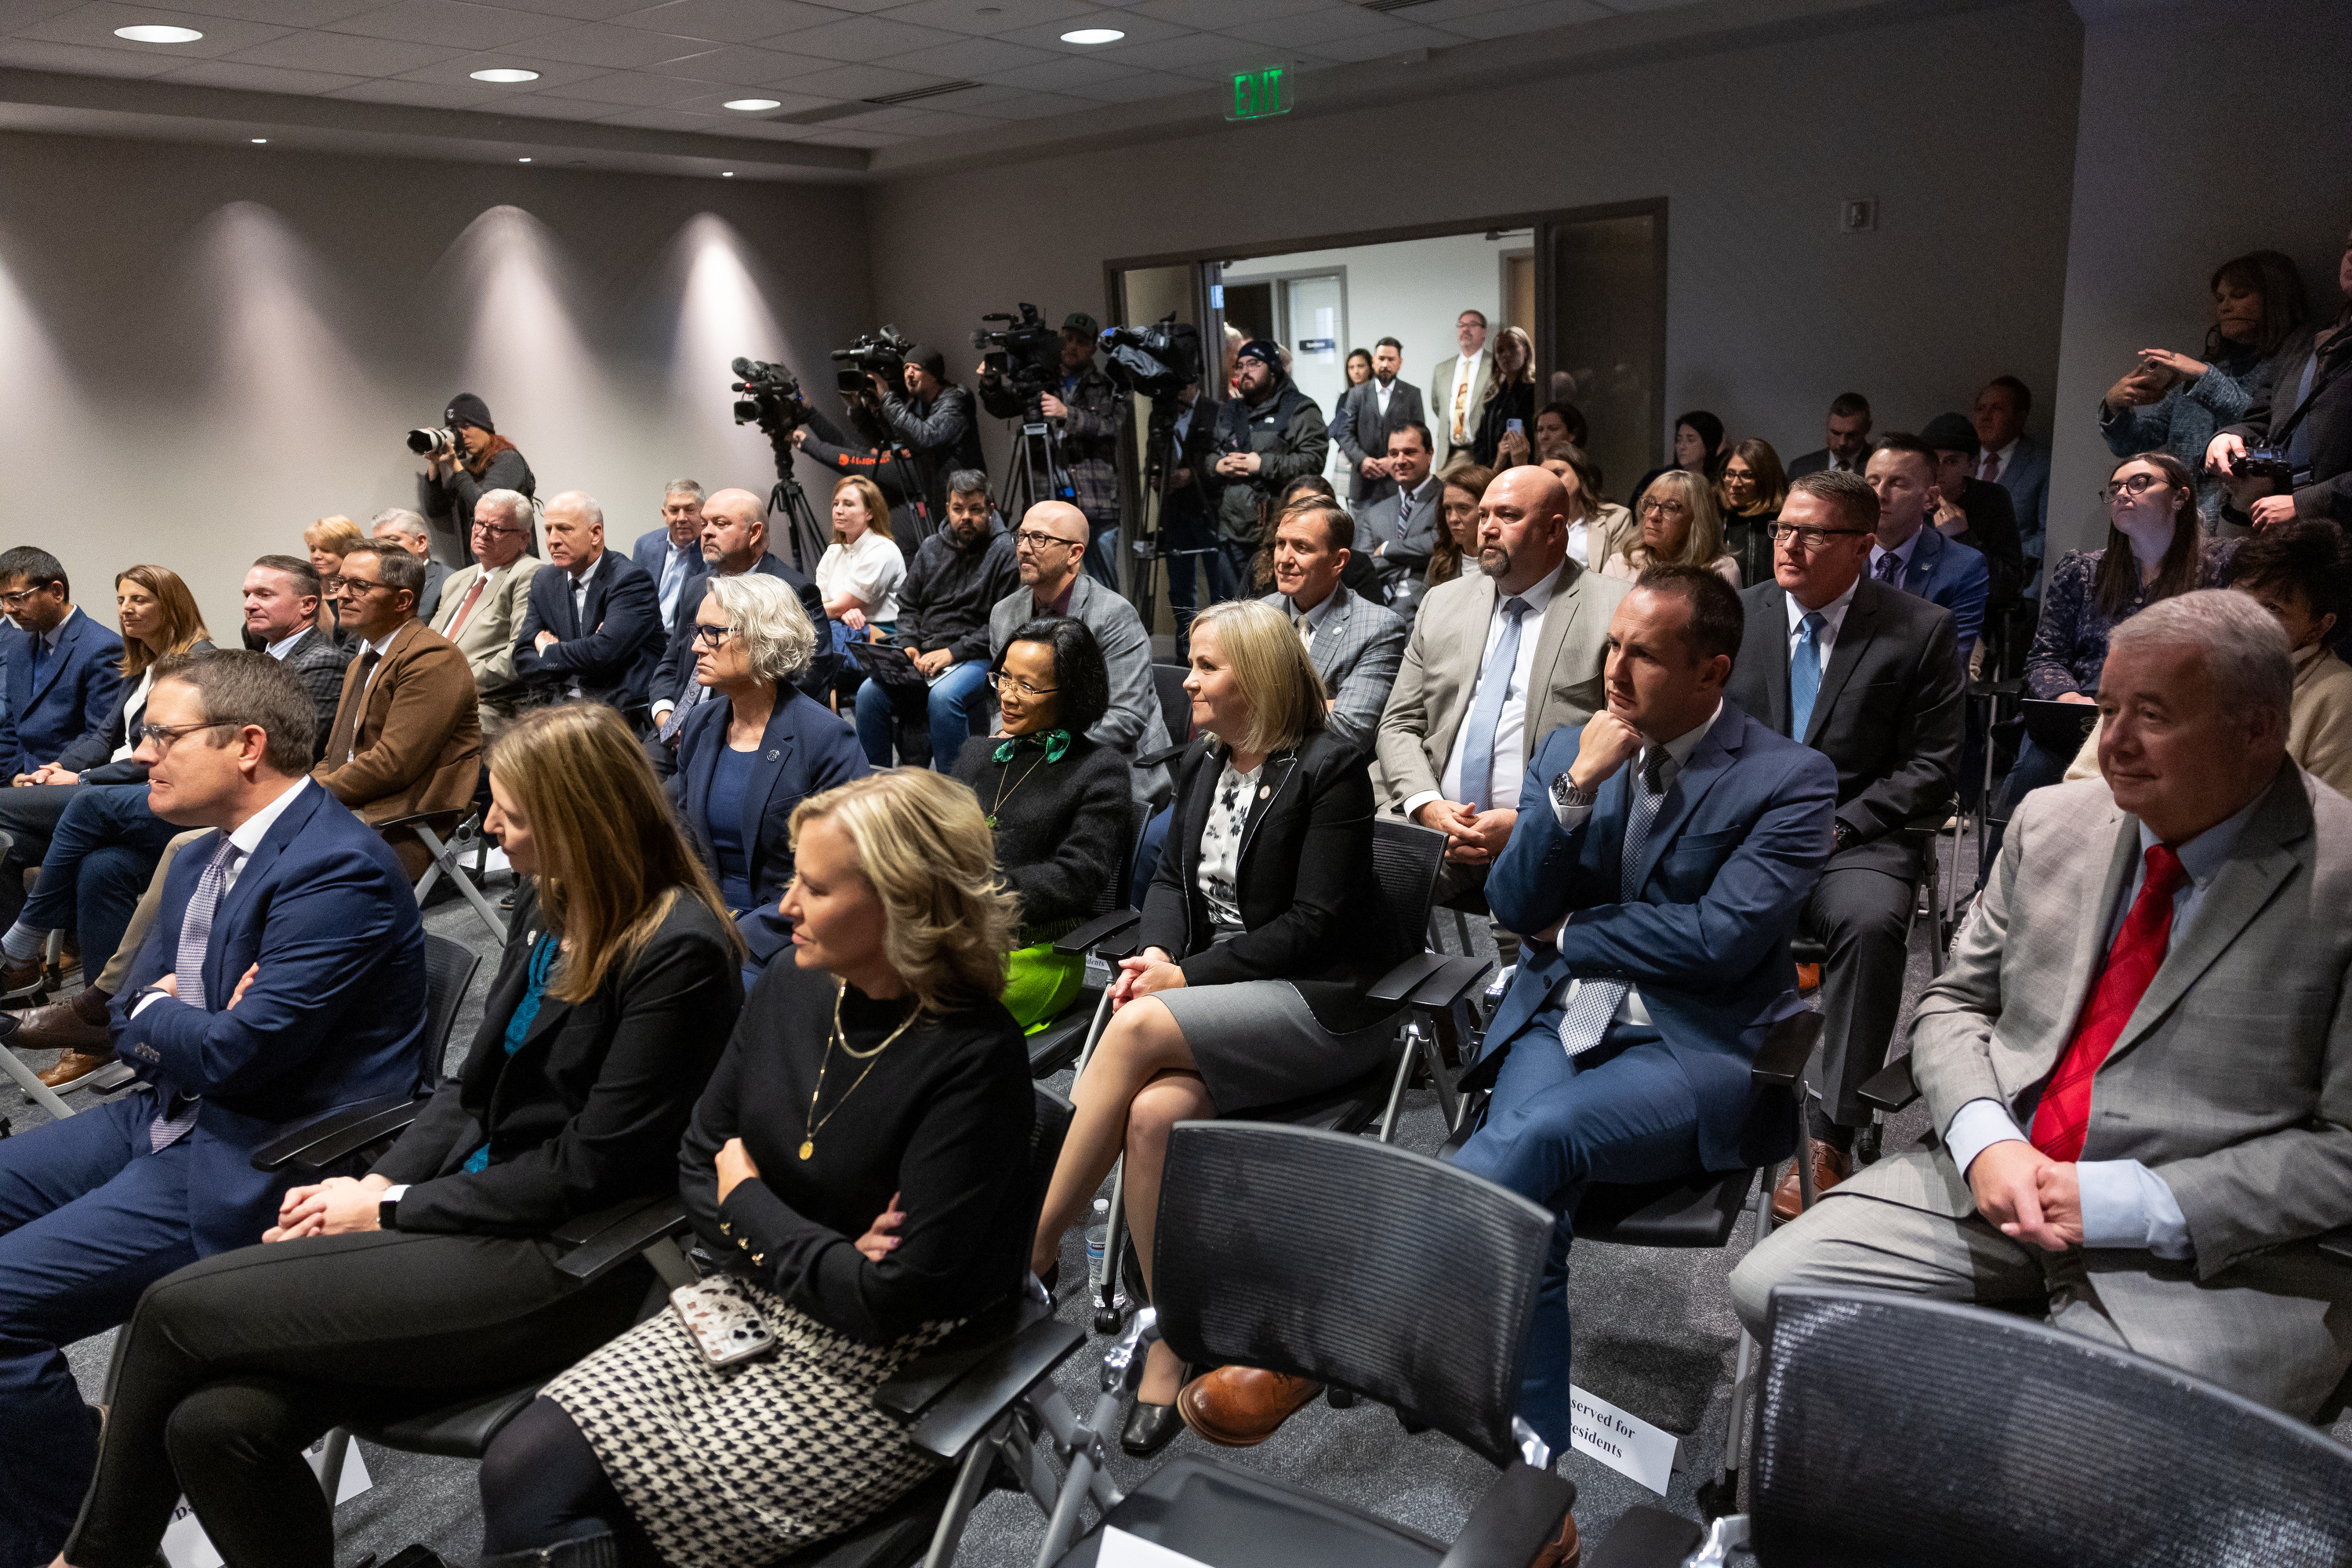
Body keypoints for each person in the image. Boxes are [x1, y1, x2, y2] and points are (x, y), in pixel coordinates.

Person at [55, 702, 746, 1568]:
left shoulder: (677, 947)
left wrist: (392, 1210)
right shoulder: (552, 903)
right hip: (476, 1215)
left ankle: (90, 1556)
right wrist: (374, 1184)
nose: (490, 826)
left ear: (585, 820)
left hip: (569, 1256)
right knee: (214, 1426)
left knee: (173, 1304)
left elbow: (590, 1168)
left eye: (514, 812)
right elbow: (468, 1091)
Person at [1191, 568, 1837, 1470]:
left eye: (1643, 653)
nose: (1615, 667)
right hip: (1561, 1018)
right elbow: (1511, 895)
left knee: (1534, 1138)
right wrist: (1573, 787)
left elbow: (1720, 941)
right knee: (1531, 1202)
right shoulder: (1572, 749)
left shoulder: (1789, 777)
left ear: (1712, 670)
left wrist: (1573, 926)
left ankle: (1328, 1338)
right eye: (1612, 643)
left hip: (1692, 1040)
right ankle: (1537, 1490)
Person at [1733, 590, 2352, 1421]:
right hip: (1999, 1176)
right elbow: (1952, 1004)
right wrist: (1987, 1142)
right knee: (1773, 1285)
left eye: (2152, 715)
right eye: (2107, 708)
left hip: (2207, 1246)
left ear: (2256, 728)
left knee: (2071, 1440)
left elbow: (2344, 1150)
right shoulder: (2052, 820)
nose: (2114, 742)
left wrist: (2124, 1201)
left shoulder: (2339, 877)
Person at [473, 769, 1032, 1567]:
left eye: (814, 886)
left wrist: (752, 1198)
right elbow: (699, 1155)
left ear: (905, 901)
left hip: (887, 1374)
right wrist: (817, 1241)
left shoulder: (975, 1057)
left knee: (599, 1516)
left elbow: (888, 1302)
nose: (784, 907)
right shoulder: (792, 986)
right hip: (751, 1299)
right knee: (517, 1464)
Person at [0, 649, 431, 1568]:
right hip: (165, 1114)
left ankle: (96, 1546)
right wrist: (171, 1017)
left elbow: (237, 1052)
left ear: (247, 744)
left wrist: (166, 1015)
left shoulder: (333, 868)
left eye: (162, 733)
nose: (141, 752)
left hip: (257, 1156)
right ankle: (59, 1456)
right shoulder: (199, 853)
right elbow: (128, 1014)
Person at [1033, 599, 1408, 1454]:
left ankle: (1037, 1250)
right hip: (1220, 998)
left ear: (1259, 676)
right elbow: (1169, 875)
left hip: (1324, 1001)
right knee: (1151, 1114)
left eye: (1205, 666)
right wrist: (1160, 946)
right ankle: (1177, 1331)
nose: (1186, 680)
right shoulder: (1211, 758)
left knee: (1132, 1028)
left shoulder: (1332, 767)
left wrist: (1179, 977)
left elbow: (1313, 924)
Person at [1722, 471, 1964, 1212]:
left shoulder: (1917, 628)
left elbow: (1934, 765)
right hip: (1745, 830)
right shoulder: (1738, 614)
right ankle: (1691, 1085)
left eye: (1811, 533)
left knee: (1869, 921)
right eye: (1782, 529)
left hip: (1854, 834)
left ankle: (1830, 1129)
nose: (1787, 544)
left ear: (1861, 546)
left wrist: (1842, 824)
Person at [1377, 466, 1629, 957]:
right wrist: (1427, 805)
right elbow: (1399, 722)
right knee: (1354, 905)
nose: (1486, 527)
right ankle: (1426, 1033)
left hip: (1543, 829)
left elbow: (1630, 740)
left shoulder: (1613, 608)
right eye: (1485, 513)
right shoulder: (1443, 603)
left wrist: (1528, 822)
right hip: (1437, 824)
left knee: (1522, 954)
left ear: (1555, 529)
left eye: (1508, 515)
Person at [1999, 452, 2236, 815]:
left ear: (2180, 498)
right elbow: (2046, 658)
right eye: (2115, 488)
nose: (2123, 493)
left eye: (2140, 483)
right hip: (2084, 711)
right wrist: (2067, 696)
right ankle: (1997, 873)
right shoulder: (2083, 569)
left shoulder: (2221, 565)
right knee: (2034, 773)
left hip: (2171, 713)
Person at [670, 573, 866, 982]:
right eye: (696, 631)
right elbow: (685, 841)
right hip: (707, 918)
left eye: (712, 633)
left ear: (762, 638)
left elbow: (843, 871)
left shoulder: (825, 739)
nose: (695, 646)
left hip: (786, 930)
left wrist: (737, 933)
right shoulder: (704, 724)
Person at [955, 617, 1132, 1029]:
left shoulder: (1098, 769)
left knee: (912, 1002)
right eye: (1004, 678)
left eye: (1028, 687)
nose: (1008, 697)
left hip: (1036, 948)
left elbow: (1079, 876)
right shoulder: (977, 753)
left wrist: (978, 894)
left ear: (1071, 694)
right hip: (954, 931)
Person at [0, 564, 193, 915]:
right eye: (121, 600)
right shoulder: (143, 663)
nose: (125, 609)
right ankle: (18, 962)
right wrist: (55, 768)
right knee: (81, 864)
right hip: (109, 782)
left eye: (139, 600)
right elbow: (104, 736)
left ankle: (23, 940)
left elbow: (157, 755)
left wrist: (82, 777)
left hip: (146, 789)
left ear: (171, 606)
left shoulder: (195, 665)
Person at [314, 541, 485, 882]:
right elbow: (334, 756)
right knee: (198, 847)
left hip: (401, 818)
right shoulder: (361, 662)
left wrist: (304, 796)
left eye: (358, 585)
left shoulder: (432, 657)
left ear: (403, 600)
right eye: (340, 583)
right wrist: (298, 792)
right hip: (353, 808)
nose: (342, 595)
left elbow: (393, 765)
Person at [2102, 255, 2306, 532]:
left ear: (2274, 298)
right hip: (2184, 524)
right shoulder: (2209, 369)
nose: (2226, 306)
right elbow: (2134, 442)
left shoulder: (2294, 364)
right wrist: (2115, 407)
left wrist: (2202, 376)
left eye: (2239, 294)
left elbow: (2263, 425)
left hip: (2250, 522)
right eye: (2220, 299)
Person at [988, 500, 1171, 807]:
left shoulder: (1114, 615)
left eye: (1039, 539)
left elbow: (1126, 718)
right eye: (1020, 536)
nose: (1023, 548)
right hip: (1033, 761)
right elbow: (999, 700)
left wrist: (1037, 744)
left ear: (1074, 554)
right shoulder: (1004, 614)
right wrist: (1007, 738)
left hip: (1112, 762)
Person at [852, 470, 1018, 770]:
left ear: (991, 510)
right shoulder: (931, 548)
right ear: (948, 509)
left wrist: (952, 652)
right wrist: (909, 644)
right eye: (958, 509)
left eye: (975, 509)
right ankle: (873, 788)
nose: (965, 517)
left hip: (977, 656)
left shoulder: (1005, 552)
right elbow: (909, 605)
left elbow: (1002, 624)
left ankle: (952, 798)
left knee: (944, 698)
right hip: (925, 655)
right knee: (868, 694)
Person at [650, 487, 833, 753]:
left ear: (755, 533)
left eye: (720, 524)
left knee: (663, 795)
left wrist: (719, 724)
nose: (707, 532)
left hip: (742, 735)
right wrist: (664, 714)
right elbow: (672, 663)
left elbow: (807, 678)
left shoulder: (793, 590)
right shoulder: (696, 587)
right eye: (705, 524)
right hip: (676, 729)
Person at [2209, 222, 2352, 530]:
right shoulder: (2304, 340)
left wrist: (2305, 504)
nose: (2351, 256)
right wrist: (2228, 436)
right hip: (2277, 527)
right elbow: (2260, 418)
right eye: (2351, 246)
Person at [978, 312, 1127, 585]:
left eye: (1081, 341)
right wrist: (991, 384)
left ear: (1094, 347)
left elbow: (1113, 425)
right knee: (1048, 579)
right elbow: (1004, 407)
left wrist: (1066, 413)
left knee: (1104, 583)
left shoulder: (1106, 386)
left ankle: (1106, 629)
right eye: (1068, 338)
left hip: (1096, 502)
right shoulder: (1040, 380)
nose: (1072, 346)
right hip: (1046, 494)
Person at [1263, 498, 1406, 758]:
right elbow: (1225, 707)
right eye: (1280, 543)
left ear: (1338, 561)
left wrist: (1262, 705)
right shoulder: (1259, 614)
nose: (1284, 559)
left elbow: (1349, 730)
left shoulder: (1378, 628)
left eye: (1301, 547)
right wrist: (1325, 706)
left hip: (1323, 781)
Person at [512, 491, 666, 720]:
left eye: (564, 529)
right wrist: (587, 651)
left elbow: (601, 654)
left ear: (595, 534)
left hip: (616, 712)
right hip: (559, 708)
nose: (553, 540)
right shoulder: (544, 580)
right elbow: (523, 660)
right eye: (548, 530)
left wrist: (548, 650)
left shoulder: (630, 580)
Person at [1213, 339, 1331, 597]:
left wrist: (1262, 464)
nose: (1245, 371)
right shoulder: (1230, 410)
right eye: (1239, 366)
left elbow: (1313, 461)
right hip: (1231, 530)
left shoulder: (1300, 409)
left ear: (1274, 369)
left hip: (1277, 531)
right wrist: (1218, 465)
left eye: (1254, 364)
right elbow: (1206, 453)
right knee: (1234, 611)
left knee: (1272, 610)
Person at [1863, 434, 1992, 666]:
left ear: (1930, 498)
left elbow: (1948, 670)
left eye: (1898, 484)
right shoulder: (1835, 553)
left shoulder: (1962, 567)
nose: (1880, 495)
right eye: (1872, 482)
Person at [0, 546, 123, 782]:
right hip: (21, 778)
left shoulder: (102, 648)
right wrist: (13, 775)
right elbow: (13, 728)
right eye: (3, 600)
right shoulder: (19, 646)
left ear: (56, 592)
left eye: (17, 598)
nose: (8, 609)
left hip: (66, 778)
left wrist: (45, 774)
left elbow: (99, 735)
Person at [432, 488, 547, 741]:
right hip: (433, 697)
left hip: (485, 708)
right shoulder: (457, 580)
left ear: (524, 538)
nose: (482, 533)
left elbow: (519, 654)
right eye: (478, 523)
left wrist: (455, 682)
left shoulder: (529, 573)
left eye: (496, 528)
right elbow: (427, 643)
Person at [873, 344, 986, 539]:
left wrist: (888, 399)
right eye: (906, 368)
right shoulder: (920, 405)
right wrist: (865, 409)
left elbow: (925, 437)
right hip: (942, 501)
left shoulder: (956, 401)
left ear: (933, 374)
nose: (908, 374)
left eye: (916, 368)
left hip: (966, 501)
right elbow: (894, 438)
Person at [1151, 377, 1228, 657]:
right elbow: (1154, 450)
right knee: (1181, 588)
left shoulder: (1216, 410)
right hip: (1174, 510)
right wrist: (1157, 475)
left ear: (1194, 382)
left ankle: (1224, 650)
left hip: (1210, 508)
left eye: (1181, 382)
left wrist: (1191, 475)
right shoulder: (1161, 413)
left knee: (1221, 587)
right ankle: (1187, 652)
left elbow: (1223, 458)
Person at [1918, 412, 2028, 608]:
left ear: (1971, 464)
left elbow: (2005, 585)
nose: (1939, 470)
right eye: (1933, 461)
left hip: (1974, 609)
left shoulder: (1992, 498)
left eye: (1951, 461)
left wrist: (1963, 536)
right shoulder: (1913, 497)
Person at [244, 556, 350, 753]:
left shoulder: (323, 662)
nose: (249, 605)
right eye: (247, 595)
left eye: (264, 595)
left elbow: (297, 747)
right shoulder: (259, 657)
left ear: (307, 605)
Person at [416, 391, 535, 565]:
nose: (462, 434)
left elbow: (486, 505)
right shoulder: (468, 470)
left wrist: (455, 465)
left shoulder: (508, 460)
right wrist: (435, 464)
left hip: (513, 567)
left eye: (466, 426)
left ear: (484, 426)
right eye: (455, 429)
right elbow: (436, 510)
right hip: (478, 567)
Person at [1973, 376, 2054, 586]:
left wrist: (2001, 554)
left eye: (1997, 409)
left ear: (2020, 416)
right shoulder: (1957, 461)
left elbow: (2050, 535)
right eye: (1980, 408)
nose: (1985, 416)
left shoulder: (2043, 464)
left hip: (2015, 584)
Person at [816, 474, 908, 658]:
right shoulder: (833, 552)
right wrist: (842, 612)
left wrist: (839, 610)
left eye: (848, 504)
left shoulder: (883, 550)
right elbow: (824, 604)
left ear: (869, 513)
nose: (838, 510)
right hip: (844, 628)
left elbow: (834, 607)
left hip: (883, 634)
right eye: (836, 503)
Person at [1353, 421, 1443, 604]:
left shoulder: (1447, 499)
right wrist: (1413, 563)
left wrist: (1388, 548)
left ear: (1429, 453)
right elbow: (1362, 565)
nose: (1401, 461)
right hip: (1378, 605)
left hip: (1427, 603)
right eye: (1394, 454)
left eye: (1409, 452)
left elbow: (1440, 543)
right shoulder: (1375, 512)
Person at [1330, 336, 1425, 509]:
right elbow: (1344, 432)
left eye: (1391, 359)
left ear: (1400, 362)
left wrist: (1393, 460)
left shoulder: (1412, 394)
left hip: (1398, 482)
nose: (1385, 364)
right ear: (1373, 361)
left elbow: (1419, 436)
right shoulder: (1357, 394)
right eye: (1381, 359)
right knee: (1361, 534)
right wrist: (1362, 459)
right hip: (1363, 483)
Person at [1606, 468, 1741, 587]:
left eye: (1670, 507)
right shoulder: (1621, 566)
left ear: (1697, 519)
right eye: (1650, 503)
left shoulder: (1720, 572)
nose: (1653, 515)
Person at [630, 478, 710, 632]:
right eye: (674, 510)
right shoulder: (645, 545)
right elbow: (633, 597)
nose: (681, 518)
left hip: (687, 642)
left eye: (689, 510)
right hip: (646, 639)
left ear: (702, 513)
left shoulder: (712, 551)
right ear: (664, 514)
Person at [1719, 437, 1791, 587]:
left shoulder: (1784, 525)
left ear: (1766, 480)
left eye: (1747, 475)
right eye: (1730, 474)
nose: (1735, 484)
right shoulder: (1718, 518)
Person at [1556, 445, 1635, 575]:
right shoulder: (1540, 520)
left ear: (1579, 474)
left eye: (1558, 473)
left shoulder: (1617, 517)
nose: (1553, 480)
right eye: (1547, 475)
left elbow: (1619, 576)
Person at [1430, 309, 1494, 469]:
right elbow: (1437, 406)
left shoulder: (1495, 365)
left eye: (1472, 325)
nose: (1465, 329)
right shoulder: (1442, 369)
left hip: (1481, 452)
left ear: (1484, 332)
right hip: (1449, 454)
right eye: (1462, 325)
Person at [1629, 410, 1728, 510]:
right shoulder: (1656, 478)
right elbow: (1636, 514)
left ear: (1710, 444)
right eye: (1678, 440)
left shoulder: (1721, 483)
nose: (1682, 446)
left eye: (1690, 440)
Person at [1472, 325, 1537, 470]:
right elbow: (1480, 441)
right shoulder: (1493, 397)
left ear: (1525, 350)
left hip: (1523, 467)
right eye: (1500, 350)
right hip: (1492, 470)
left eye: (1512, 347)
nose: (1506, 354)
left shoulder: (1535, 392)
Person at [370, 507, 450, 624]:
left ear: (421, 543)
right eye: (377, 544)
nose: (382, 549)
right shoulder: (374, 584)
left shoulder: (448, 583)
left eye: (392, 540)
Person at [1425, 463, 1491, 596]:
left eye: (1463, 508)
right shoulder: (1440, 562)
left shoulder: (1507, 563)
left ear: (1487, 511)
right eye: (1448, 509)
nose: (1452, 519)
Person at [301, 516, 365, 644]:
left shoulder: (359, 596)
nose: (316, 556)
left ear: (348, 552)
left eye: (326, 550)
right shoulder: (304, 593)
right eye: (313, 549)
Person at [1788, 393, 1875, 478]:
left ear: (1867, 428)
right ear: (1827, 424)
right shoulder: (1801, 469)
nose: (1842, 442)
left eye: (1851, 435)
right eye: (1836, 433)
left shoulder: (1879, 464)